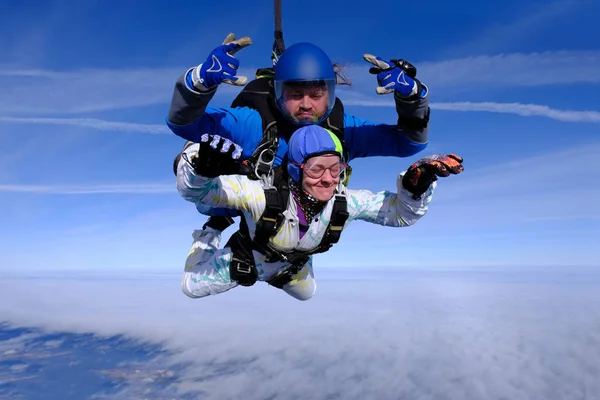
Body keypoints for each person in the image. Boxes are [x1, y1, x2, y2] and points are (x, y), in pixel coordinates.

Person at [166, 33, 432, 234]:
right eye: (295, 94)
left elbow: (407, 144)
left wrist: (413, 99)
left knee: (304, 290)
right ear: (278, 92)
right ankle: (215, 212)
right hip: (239, 204)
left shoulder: (342, 129)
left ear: (330, 93)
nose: (306, 104)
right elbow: (185, 124)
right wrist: (198, 82)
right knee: (206, 185)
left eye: (317, 94)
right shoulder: (254, 124)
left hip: (296, 220)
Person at [175, 125, 464, 301]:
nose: (328, 179)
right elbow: (197, 192)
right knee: (191, 286)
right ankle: (212, 229)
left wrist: (418, 184)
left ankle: (287, 265)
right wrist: (200, 166)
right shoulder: (260, 195)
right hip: (250, 257)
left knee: (307, 293)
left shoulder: (345, 202)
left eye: (335, 168)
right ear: (295, 170)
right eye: (316, 169)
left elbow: (401, 214)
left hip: (294, 263)